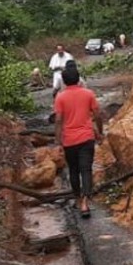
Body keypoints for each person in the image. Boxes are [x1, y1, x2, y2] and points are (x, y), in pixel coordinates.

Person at [53, 65, 103, 219]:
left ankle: (77, 198)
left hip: (70, 140)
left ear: (65, 81)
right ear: (78, 78)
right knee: (86, 169)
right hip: (87, 137)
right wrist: (100, 132)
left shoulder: (60, 97)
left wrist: (58, 140)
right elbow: (97, 114)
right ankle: (85, 203)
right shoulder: (88, 94)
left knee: (74, 170)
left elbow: (59, 120)